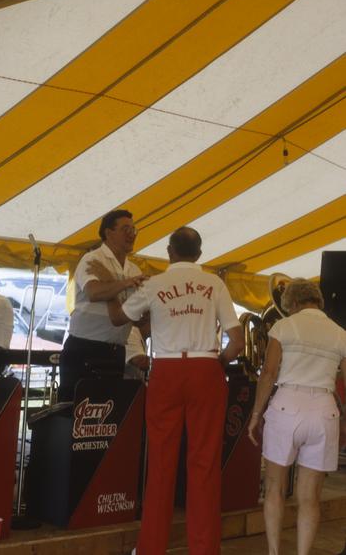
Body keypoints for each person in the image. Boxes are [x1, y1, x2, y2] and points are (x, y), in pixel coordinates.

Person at [104, 226, 244, 555]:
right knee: (204, 464)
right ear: (199, 254)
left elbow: (118, 318)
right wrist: (219, 363)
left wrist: (111, 289)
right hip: (205, 368)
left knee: (161, 464)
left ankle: (151, 548)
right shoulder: (215, 283)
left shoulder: (154, 284)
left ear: (169, 252)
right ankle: (204, 549)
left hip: (166, 370)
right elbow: (237, 342)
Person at [248, 278, 346, 555]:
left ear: (292, 303)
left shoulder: (284, 326)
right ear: (318, 301)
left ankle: (274, 552)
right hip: (324, 409)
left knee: (274, 488)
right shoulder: (340, 333)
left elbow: (269, 373)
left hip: (287, 406)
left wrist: (256, 414)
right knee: (310, 496)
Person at [58, 209, 146, 401]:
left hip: (116, 352)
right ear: (108, 233)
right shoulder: (92, 259)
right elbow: (94, 292)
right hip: (84, 348)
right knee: (74, 409)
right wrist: (125, 283)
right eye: (125, 229)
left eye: (134, 230)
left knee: (108, 411)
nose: (132, 234)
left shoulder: (134, 269)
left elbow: (134, 315)